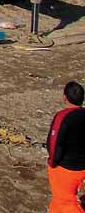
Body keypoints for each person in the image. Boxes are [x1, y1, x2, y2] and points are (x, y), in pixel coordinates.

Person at [48, 81, 85, 213]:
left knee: (65, 202)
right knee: (59, 202)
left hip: (67, 168)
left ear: (65, 97)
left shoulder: (62, 117)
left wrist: (52, 162)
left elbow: (53, 143)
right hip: (81, 168)